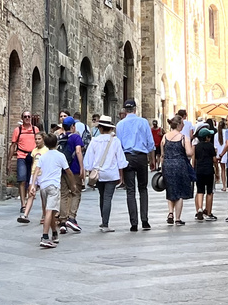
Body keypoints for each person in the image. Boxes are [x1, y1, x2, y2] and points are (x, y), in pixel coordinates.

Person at [82, 115, 128, 232]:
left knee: (102, 196)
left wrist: (90, 169)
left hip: (98, 174)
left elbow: (88, 159)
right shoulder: (115, 141)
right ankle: (105, 223)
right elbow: (121, 160)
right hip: (111, 174)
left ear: (100, 128)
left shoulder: (94, 141)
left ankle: (104, 221)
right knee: (108, 198)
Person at [116, 99, 155, 232]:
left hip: (127, 157)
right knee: (143, 188)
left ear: (125, 110)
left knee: (130, 190)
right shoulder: (143, 122)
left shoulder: (120, 125)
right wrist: (152, 159)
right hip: (141, 156)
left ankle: (133, 223)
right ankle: (145, 220)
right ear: (135, 109)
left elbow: (119, 145)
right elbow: (150, 142)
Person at [35, 133, 73, 248]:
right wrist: (73, 184)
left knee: (49, 211)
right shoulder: (60, 156)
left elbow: (36, 170)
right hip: (53, 186)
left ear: (45, 144)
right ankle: (45, 237)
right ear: (57, 143)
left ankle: (54, 234)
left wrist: (33, 185)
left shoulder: (43, 156)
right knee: (49, 212)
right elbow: (68, 171)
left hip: (43, 187)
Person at [161, 114, 194, 224]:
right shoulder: (184, 138)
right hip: (180, 165)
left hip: (167, 164)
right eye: (183, 124)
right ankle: (178, 218)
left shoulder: (165, 137)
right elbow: (189, 153)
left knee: (170, 189)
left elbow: (162, 154)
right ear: (179, 124)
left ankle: (170, 212)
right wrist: (192, 148)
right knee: (179, 191)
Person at [7, 110, 39, 217]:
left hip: (33, 157)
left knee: (30, 181)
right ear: (22, 118)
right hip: (21, 156)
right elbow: (13, 145)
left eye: (29, 116)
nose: (27, 118)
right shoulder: (18, 130)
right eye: (25, 116)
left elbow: (39, 143)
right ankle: (23, 204)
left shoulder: (35, 130)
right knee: (22, 179)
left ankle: (27, 199)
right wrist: (9, 160)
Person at [56, 116, 83, 233]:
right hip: (74, 169)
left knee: (63, 194)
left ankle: (62, 221)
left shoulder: (60, 138)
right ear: (73, 126)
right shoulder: (76, 137)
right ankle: (71, 218)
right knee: (76, 192)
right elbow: (78, 151)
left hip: (62, 169)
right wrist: (82, 167)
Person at [19, 131, 47, 222]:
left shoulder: (46, 150)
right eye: (36, 139)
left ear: (43, 139)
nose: (37, 141)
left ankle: (44, 215)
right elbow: (33, 162)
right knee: (31, 194)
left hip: (43, 174)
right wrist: (31, 173)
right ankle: (25, 215)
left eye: (39, 139)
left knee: (43, 196)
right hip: (34, 174)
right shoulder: (34, 150)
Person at [194, 126, 217, 221]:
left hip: (199, 170)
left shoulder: (197, 147)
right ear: (207, 137)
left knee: (200, 191)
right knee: (209, 192)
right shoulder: (210, 146)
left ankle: (199, 208)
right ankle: (209, 212)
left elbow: (194, 159)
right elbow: (214, 159)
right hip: (208, 170)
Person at [215, 119, 227, 190]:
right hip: (227, 152)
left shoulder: (216, 135)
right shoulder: (227, 132)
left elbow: (215, 146)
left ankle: (224, 186)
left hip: (220, 154)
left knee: (222, 169)